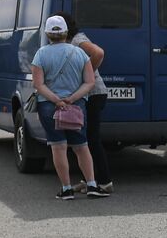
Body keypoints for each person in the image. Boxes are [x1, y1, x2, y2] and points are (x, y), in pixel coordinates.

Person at [32, 16, 98, 201]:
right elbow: (90, 82)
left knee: (58, 148)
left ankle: (67, 189)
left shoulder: (41, 54)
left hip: (49, 106)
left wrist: (56, 100)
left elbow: (38, 84)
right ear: (66, 32)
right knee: (81, 146)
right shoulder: (79, 54)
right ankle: (92, 185)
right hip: (76, 106)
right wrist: (71, 99)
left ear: (47, 33)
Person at [57, 12, 112, 197]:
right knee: (83, 140)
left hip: (94, 93)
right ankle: (90, 180)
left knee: (91, 139)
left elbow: (98, 52)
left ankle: (104, 182)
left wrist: (85, 74)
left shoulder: (77, 40)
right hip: (89, 94)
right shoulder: (69, 42)